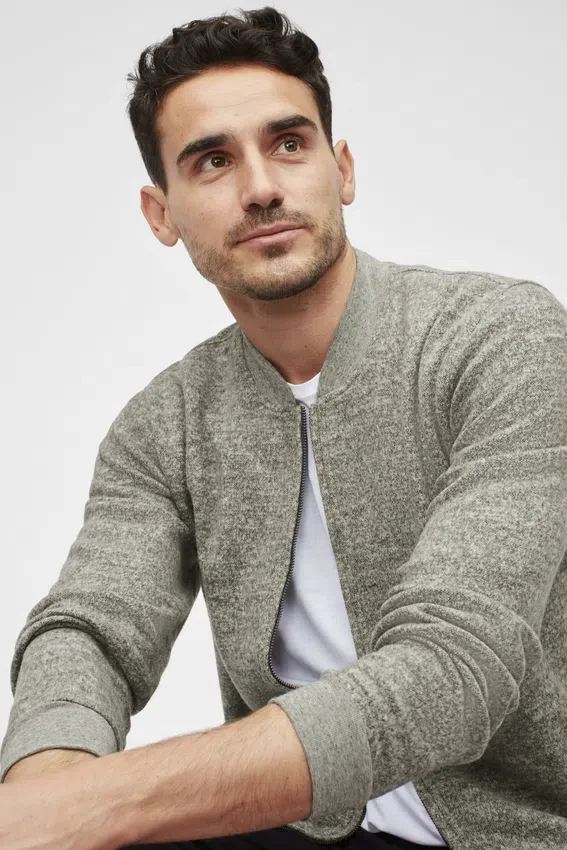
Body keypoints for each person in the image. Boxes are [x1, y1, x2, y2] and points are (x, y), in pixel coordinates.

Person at [1, 6, 566, 850]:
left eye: (289, 144)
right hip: (303, 829)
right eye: (212, 160)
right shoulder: (165, 424)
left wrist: (95, 807)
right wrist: (44, 788)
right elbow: (92, 631)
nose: (261, 187)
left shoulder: (502, 340)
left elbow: (452, 669)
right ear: (161, 213)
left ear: (342, 169)